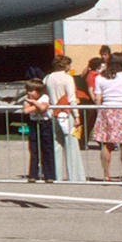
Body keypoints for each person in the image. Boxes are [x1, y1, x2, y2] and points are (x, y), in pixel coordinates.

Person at [89, 52, 122, 183]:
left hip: (106, 110)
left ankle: (106, 175)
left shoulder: (100, 77)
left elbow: (98, 98)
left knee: (105, 144)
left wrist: (100, 110)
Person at [45, 55, 86, 183]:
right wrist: (77, 115)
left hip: (54, 112)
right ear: (66, 65)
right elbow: (71, 98)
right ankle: (75, 176)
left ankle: (57, 174)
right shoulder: (67, 78)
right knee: (71, 144)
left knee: (57, 143)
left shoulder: (48, 78)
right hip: (67, 113)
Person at [21, 79, 55, 181]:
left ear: (39, 91)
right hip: (34, 124)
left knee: (47, 150)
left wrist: (34, 103)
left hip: (45, 124)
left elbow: (43, 108)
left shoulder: (45, 97)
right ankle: (33, 175)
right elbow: (26, 110)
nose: (29, 93)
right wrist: (36, 105)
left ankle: (49, 175)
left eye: (32, 91)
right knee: (34, 150)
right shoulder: (27, 99)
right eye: (28, 90)